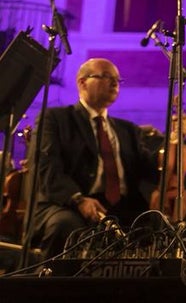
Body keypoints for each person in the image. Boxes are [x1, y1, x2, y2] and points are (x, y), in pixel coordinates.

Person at [28, 58, 160, 256]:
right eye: (106, 77)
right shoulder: (56, 119)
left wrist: (177, 138)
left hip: (122, 207)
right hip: (68, 204)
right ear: (82, 82)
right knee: (65, 225)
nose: (114, 83)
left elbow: (151, 170)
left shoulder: (128, 130)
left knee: (158, 225)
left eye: (117, 79)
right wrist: (78, 199)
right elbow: (47, 168)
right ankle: (51, 285)